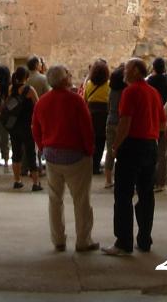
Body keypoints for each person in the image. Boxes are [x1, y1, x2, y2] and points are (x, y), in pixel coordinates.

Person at [32, 64, 99, 253]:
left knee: (55, 199)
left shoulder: (42, 102)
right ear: (64, 80)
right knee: (81, 200)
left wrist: (43, 147)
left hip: (52, 156)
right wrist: (89, 150)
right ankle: (83, 241)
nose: (71, 76)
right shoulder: (75, 101)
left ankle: (58, 240)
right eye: (68, 74)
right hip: (76, 155)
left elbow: (36, 128)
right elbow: (86, 128)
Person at [103, 57, 166, 257]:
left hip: (131, 146)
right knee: (147, 194)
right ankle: (144, 240)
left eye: (127, 68)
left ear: (137, 71)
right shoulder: (154, 93)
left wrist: (115, 146)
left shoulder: (130, 92)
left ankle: (123, 242)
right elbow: (163, 124)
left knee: (123, 194)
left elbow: (125, 122)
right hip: (150, 146)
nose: (123, 72)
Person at [5, 66, 41, 191]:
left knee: (16, 153)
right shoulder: (29, 90)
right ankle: (36, 183)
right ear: (26, 77)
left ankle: (17, 180)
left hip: (14, 125)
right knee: (30, 153)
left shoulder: (11, 89)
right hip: (27, 125)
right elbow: (38, 105)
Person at [146, 57, 167, 191]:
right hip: (166, 119)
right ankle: (161, 181)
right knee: (163, 152)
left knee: (150, 150)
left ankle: (149, 179)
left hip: (150, 119)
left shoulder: (148, 83)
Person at [83, 59, 110, 174]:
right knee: (100, 142)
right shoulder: (109, 85)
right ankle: (96, 166)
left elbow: (85, 99)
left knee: (91, 141)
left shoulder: (89, 85)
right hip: (103, 116)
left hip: (91, 115)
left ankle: (89, 164)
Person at [103, 64, 125, 189]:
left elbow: (108, 106)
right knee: (122, 151)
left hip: (111, 120)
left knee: (110, 151)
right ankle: (121, 179)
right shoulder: (126, 91)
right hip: (122, 122)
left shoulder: (111, 91)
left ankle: (108, 180)